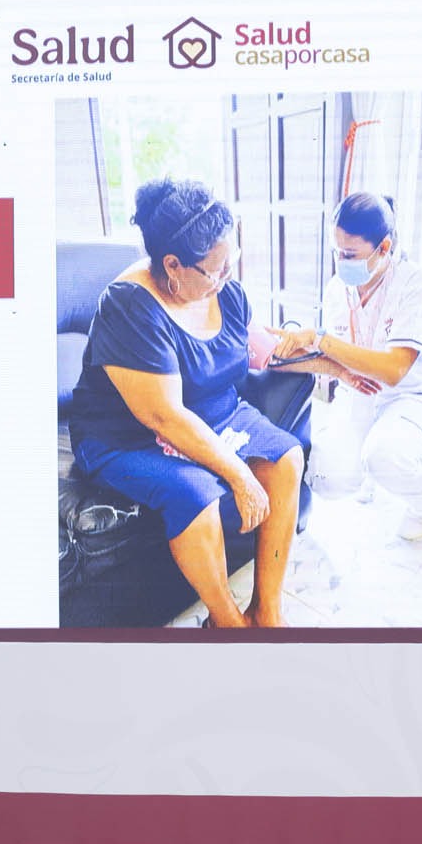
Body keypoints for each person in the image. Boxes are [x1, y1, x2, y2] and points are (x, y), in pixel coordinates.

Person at [67, 178, 305, 628]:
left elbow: (260, 347)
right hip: (129, 437)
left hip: (213, 413)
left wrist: (333, 360)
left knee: (286, 458)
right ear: (173, 265)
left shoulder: (223, 289)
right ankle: (227, 623)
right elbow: (164, 416)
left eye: (231, 261)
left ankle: (267, 611)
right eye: (216, 269)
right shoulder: (129, 306)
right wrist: (239, 476)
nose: (228, 275)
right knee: (197, 496)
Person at [269, 193, 422, 540]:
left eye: (350, 254)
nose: (340, 262)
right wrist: (293, 350)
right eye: (336, 251)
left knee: (385, 456)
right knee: (327, 477)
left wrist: (319, 338)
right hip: (360, 391)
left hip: (414, 396)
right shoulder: (338, 289)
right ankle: (368, 467)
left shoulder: (417, 285)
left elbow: (394, 370)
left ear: (384, 248)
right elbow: (337, 353)